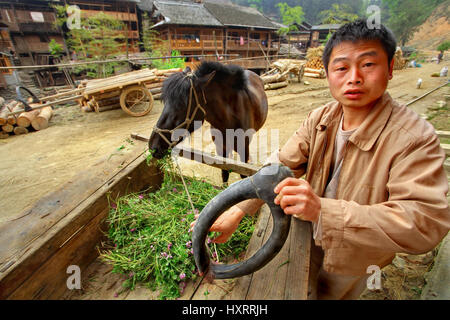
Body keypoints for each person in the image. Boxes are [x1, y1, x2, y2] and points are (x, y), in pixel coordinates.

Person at [191, 19, 450, 299]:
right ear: (327, 73)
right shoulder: (320, 118)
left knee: (333, 295)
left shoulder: (415, 138)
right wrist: (236, 212)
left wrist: (323, 211)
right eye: (341, 68)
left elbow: (426, 222)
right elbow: (280, 167)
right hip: (306, 237)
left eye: (368, 65)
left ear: (390, 70)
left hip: (356, 256)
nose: (354, 77)